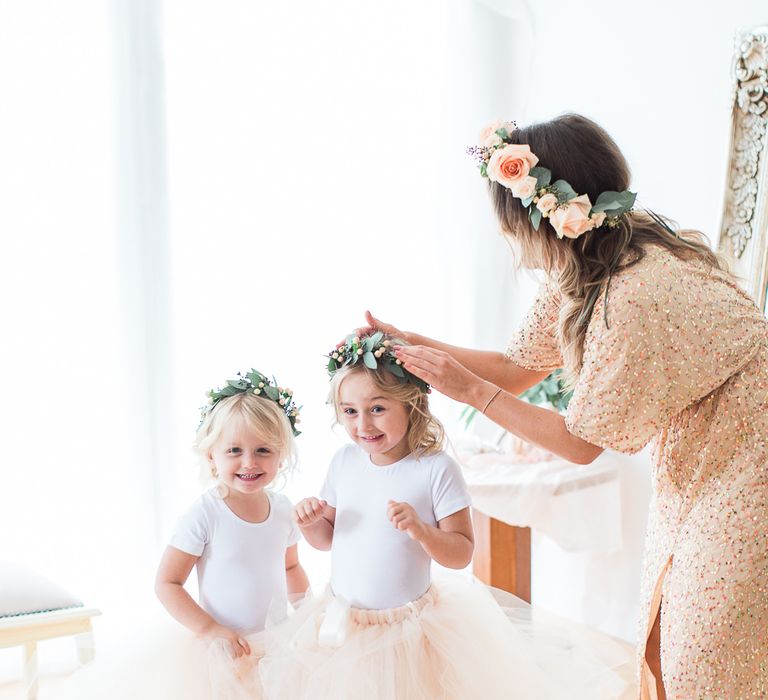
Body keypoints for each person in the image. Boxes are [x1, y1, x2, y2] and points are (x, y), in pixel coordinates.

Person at [366, 115, 768, 698]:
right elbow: (516, 368)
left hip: (748, 469)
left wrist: (469, 392)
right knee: (671, 638)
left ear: (542, 214)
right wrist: (416, 344)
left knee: (710, 659)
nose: (508, 239)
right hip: (701, 465)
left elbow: (580, 444)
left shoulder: (634, 292)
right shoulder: (591, 261)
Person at [258, 333, 634, 700]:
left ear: (411, 403)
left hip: (409, 633)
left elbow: (461, 553)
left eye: (377, 409)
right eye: (350, 412)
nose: (363, 425)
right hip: (344, 626)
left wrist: (423, 532)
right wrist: (311, 525)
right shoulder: (344, 462)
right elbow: (329, 540)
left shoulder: (435, 469)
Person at [153, 369, 310, 698]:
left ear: (281, 454)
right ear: (212, 455)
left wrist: (307, 613)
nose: (249, 462)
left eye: (263, 450)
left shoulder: (283, 510)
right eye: (234, 451)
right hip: (225, 649)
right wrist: (210, 630)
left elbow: (290, 568)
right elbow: (167, 583)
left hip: (276, 645)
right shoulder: (204, 514)